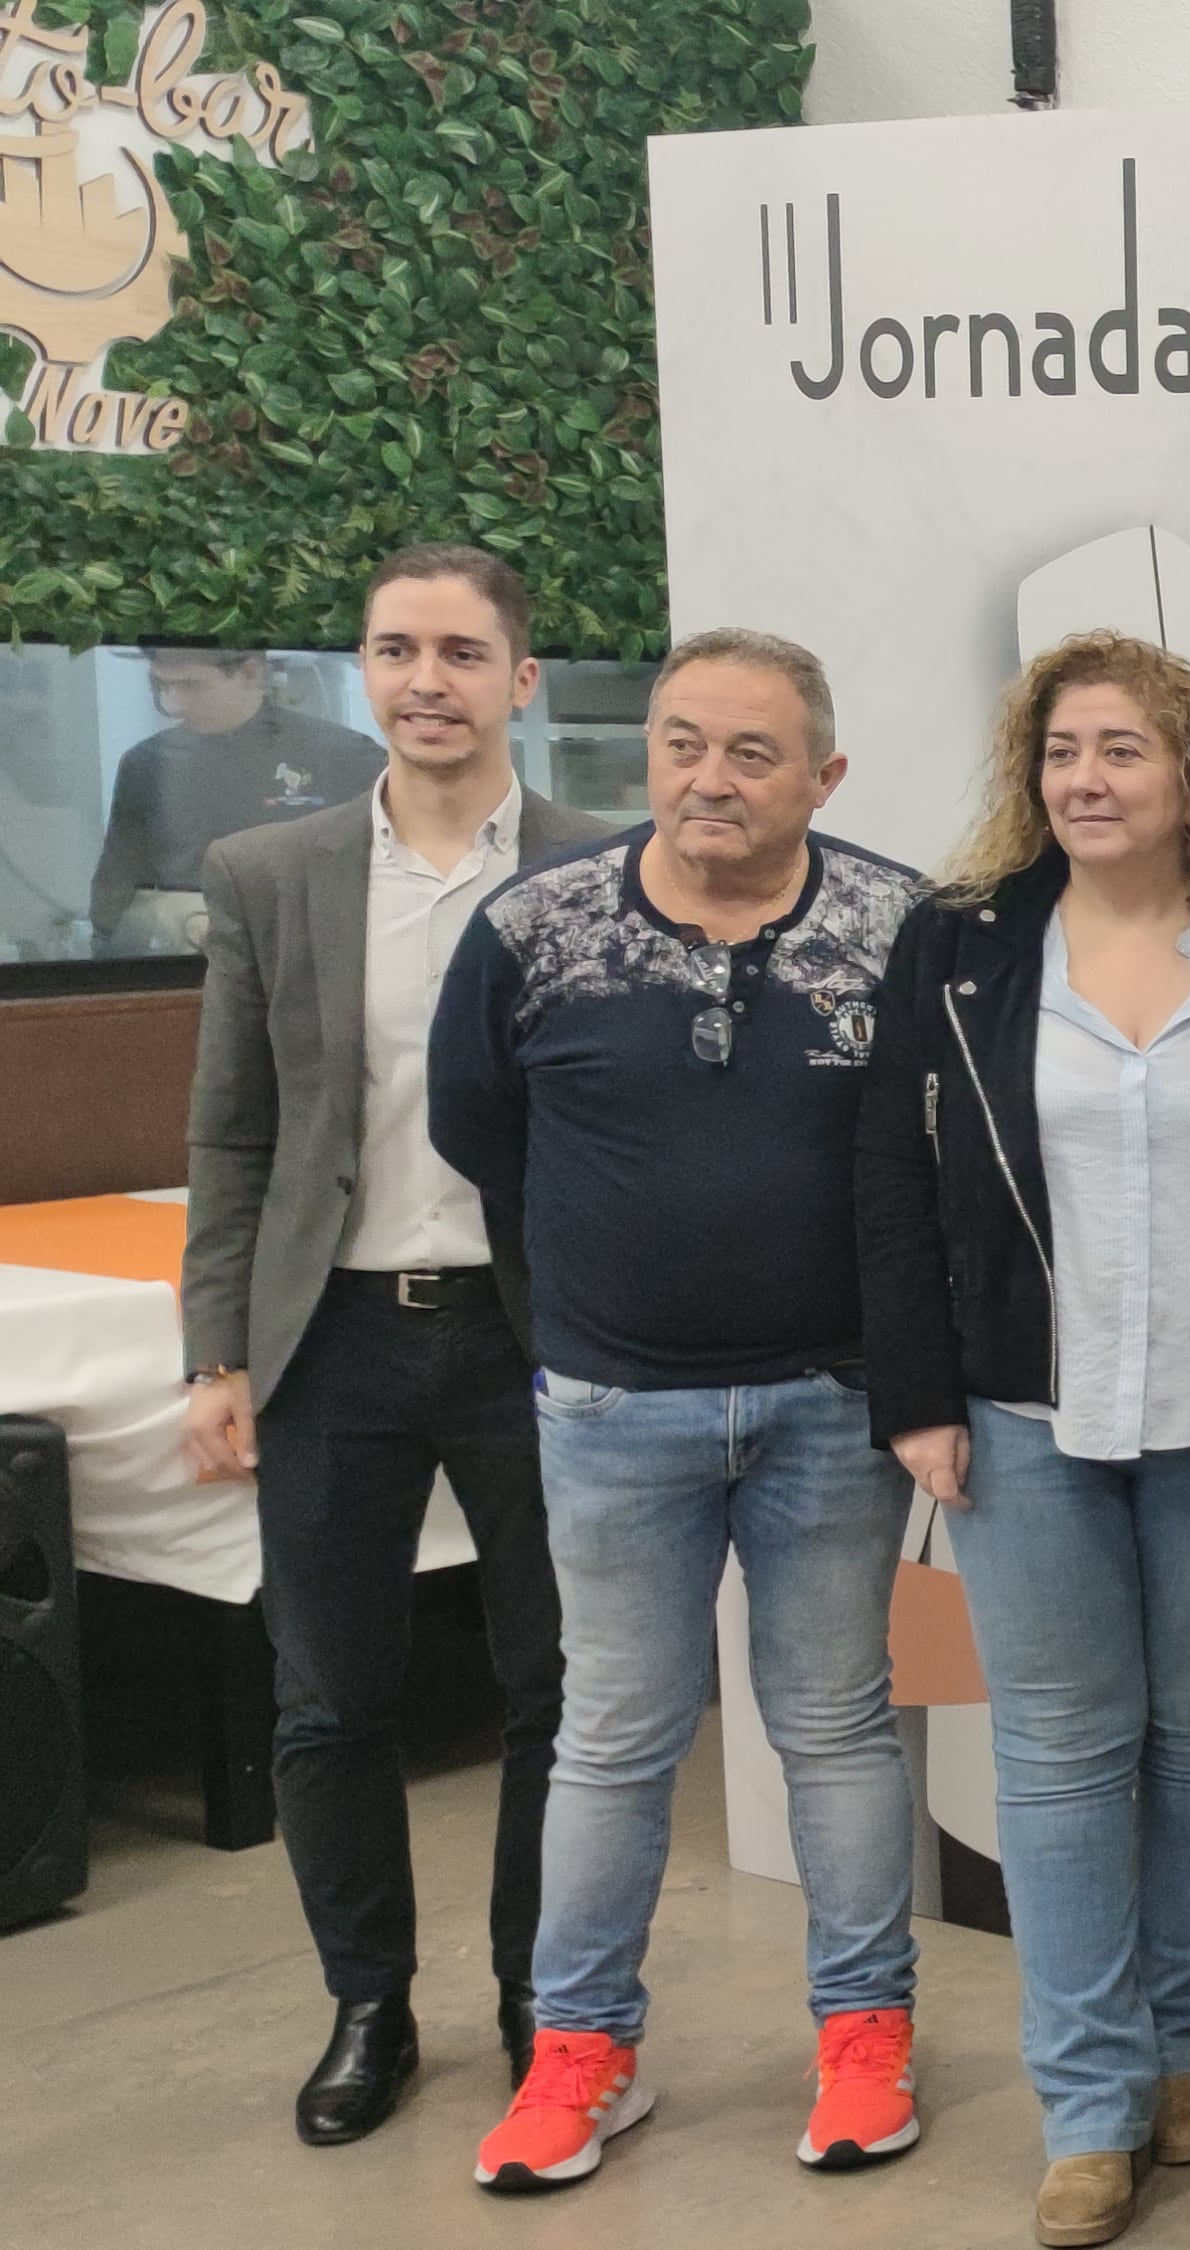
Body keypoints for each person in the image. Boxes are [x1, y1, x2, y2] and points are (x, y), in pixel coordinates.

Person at [427, 628, 929, 2192]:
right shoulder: (534, 928)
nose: (710, 778)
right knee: (615, 1736)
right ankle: (580, 2053)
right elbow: (480, 1133)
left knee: (836, 1731)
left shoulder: (899, 927)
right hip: (611, 1404)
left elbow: (926, 1157)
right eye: (681, 743)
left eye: (754, 753)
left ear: (824, 776)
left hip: (833, 1407)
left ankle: (864, 2039)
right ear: (644, 753)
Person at [855, 633, 1190, 2247]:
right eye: (1062, 751)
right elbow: (891, 1188)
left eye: (1124, 748)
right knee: (1058, 1757)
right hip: (1018, 1415)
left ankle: (1186, 2053)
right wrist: (912, 1396)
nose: (1088, 779)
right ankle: (1093, 2102)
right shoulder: (962, 945)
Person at [179, 546, 610, 2143]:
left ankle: (538, 1997)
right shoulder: (268, 871)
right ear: (363, 672)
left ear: (523, 676)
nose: (424, 678)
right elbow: (233, 1134)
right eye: (391, 648)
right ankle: (369, 2003)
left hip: (535, 1342)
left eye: (458, 649)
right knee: (327, 1698)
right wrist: (214, 1349)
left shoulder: (595, 865)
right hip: (334, 1338)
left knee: (558, 1690)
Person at [96, 646, 386, 953]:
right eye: (161, 686)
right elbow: (112, 901)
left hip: (310, 966)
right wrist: (162, 916)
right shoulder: (148, 764)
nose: (173, 705)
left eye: (190, 686)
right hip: (179, 972)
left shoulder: (346, 756)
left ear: (250, 672)